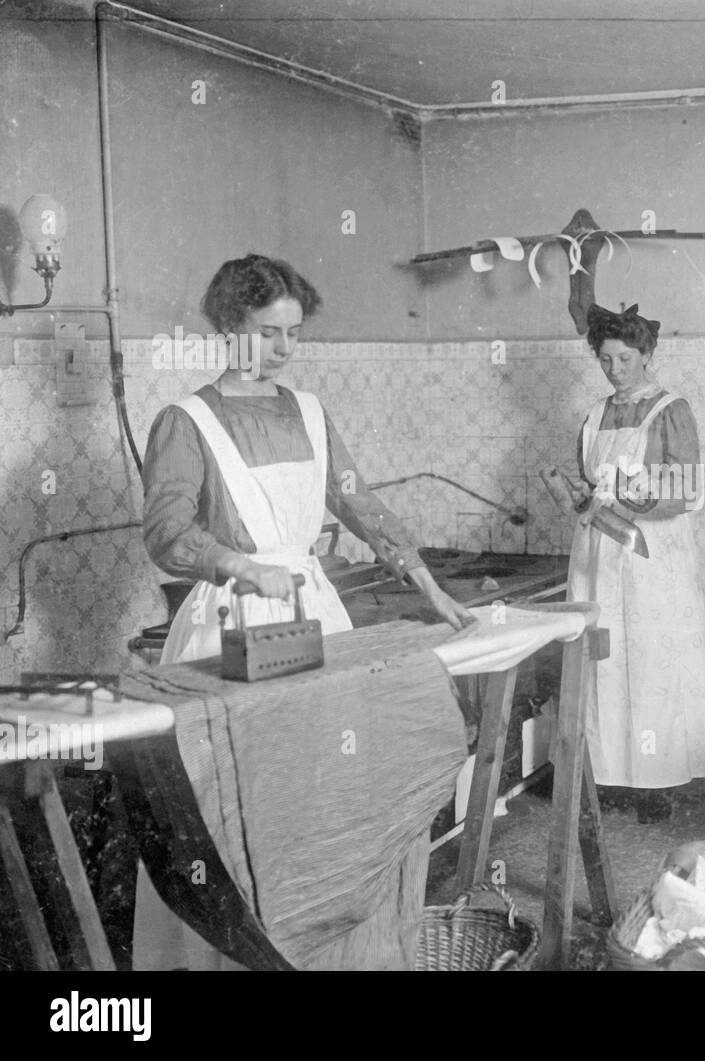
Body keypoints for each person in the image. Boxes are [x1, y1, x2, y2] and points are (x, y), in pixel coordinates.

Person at [134, 253, 474, 969]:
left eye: (294, 333)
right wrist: (237, 564)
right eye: (268, 332)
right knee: (238, 812)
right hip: (228, 627)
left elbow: (361, 506)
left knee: (325, 799)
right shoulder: (186, 419)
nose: (284, 349)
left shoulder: (312, 414)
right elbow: (165, 532)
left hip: (312, 621)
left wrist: (426, 581)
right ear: (229, 327)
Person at [564, 302, 705, 823]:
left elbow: (689, 489)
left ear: (648, 354)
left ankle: (657, 783)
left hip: (652, 554)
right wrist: (581, 493)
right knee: (603, 660)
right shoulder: (594, 415)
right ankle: (607, 775)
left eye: (624, 359)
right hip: (597, 553)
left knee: (650, 661)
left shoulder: (671, 409)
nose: (614, 370)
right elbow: (586, 479)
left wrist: (634, 496)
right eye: (605, 359)